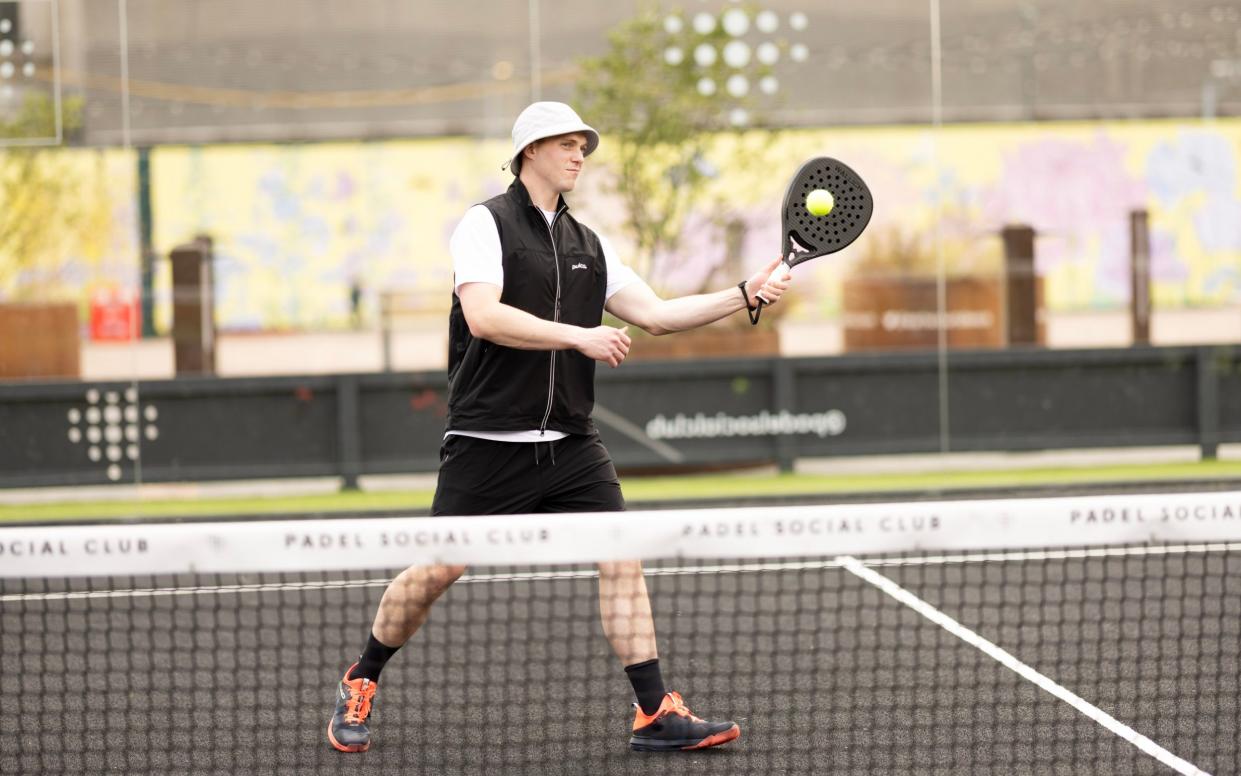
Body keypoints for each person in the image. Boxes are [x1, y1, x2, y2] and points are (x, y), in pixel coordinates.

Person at [327, 101, 790, 754]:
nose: (579, 155)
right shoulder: (482, 226)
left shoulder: (589, 244)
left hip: (571, 443)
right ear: (530, 151)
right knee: (437, 570)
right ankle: (361, 676)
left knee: (621, 559)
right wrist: (581, 337)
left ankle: (654, 710)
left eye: (583, 145)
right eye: (568, 144)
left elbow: (655, 314)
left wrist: (744, 292)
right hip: (488, 439)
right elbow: (484, 316)